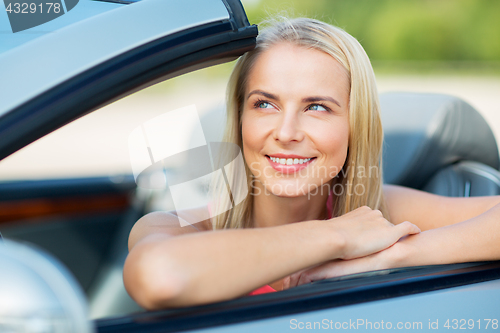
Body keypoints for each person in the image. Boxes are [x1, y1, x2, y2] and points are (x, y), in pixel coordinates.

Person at [123, 17, 500, 309]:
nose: (286, 132)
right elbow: (161, 276)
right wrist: (337, 236)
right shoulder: (176, 228)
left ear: (355, 126)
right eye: (264, 104)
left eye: (316, 107)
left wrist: (400, 253)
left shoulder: (380, 210)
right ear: (239, 121)